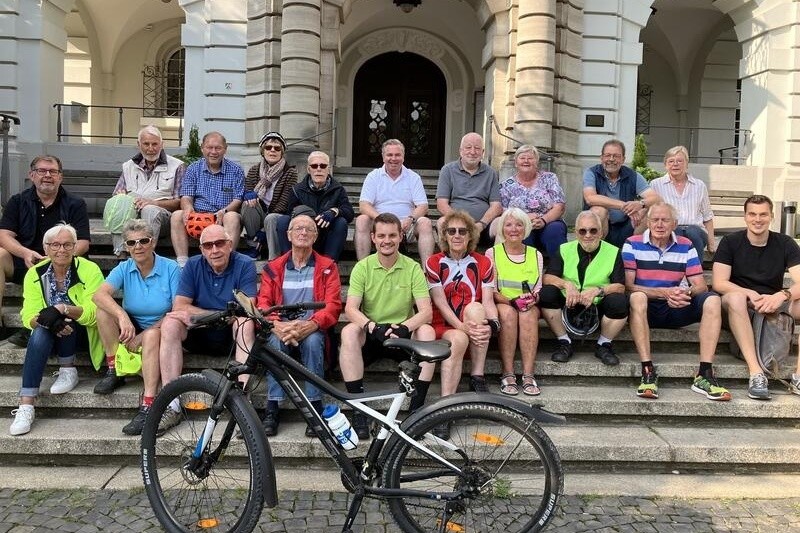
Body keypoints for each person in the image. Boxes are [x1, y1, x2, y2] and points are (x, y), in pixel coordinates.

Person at [340, 213, 436, 440]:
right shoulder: (363, 267)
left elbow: (426, 311)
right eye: (381, 235)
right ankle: (359, 408)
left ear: (401, 237)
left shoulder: (412, 267)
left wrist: (404, 327)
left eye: (392, 235)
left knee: (428, 331)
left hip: (402, 335)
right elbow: (351, 309)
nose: (387, 240)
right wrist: (371, 325)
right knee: (348, 330)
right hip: (374, 333)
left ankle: (416, 410)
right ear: (372, 237)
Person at [623, 202, 730, 401]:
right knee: (637, 298)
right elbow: (628, 286)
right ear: (648, 222)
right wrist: (664, 293)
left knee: (713, 300)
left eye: (665, 220)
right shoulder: (632, 243)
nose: (660, 224)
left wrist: (685, 293)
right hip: (647, 309)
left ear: (675, 224)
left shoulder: (685, 244)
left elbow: (700, 285)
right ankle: (647, 371)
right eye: (655, 220)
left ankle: (704, 373)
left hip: (677, 306)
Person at [157, 224, 257, 433]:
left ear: (230, 245)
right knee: (170, 323)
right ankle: (171, 404)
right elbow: (180, 307)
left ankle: (243, 402)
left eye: (219, 243)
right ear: (201, 249)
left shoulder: (245, 264)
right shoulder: (193, 265)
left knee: (244, 323)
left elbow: (248, 308)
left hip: (231, 338)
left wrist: (199, 315)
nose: (214, 250)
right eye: (208, 245)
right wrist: (220, 314)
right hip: (199, 335)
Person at [9, 224, 104, 436]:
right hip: (49, 337)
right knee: (41, 330)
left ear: (74, 247)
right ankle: (26, 405)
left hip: (82, 333)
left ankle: (69, 369)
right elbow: (27, 316)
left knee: (65, 319)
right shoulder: (35, 273)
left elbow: (93, 313)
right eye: (55, 245)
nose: (61, 249)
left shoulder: (89, 269)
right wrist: (47, 321)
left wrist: (62, 309)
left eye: (67, 244)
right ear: (46, 247)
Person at [92, 220, 180, 435]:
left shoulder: (171, 268)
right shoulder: (125, 267)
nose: (138, 246)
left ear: (153, 242)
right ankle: (114, 369)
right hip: (133, 325)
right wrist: (122, 316)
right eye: (131, 243)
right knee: (103, 311)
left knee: (150, 336)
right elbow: (99, 295)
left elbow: (178, 309)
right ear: (126, 246)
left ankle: (148, 404)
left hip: (164, 326)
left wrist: (142, 336)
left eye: (143, 241)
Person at [257, 214, 343, 437]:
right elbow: (263, 303)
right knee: (273, 341)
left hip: (312, 327)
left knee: (314, 341)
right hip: (282, 327)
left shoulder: (327, 266)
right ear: (289, 235)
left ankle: (314, 406)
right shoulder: (273, 267)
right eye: (298, 229)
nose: (303, 232)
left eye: (309, 229)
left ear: (315, 236)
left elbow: (333, 306)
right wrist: (276, 324)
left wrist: (312, 324)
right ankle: (273, 407)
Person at [712, 194, 800, 400]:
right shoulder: (731, 241)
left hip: (772, 302)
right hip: (738, 304)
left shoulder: (785, 243)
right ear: (745, 217)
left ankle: (798, 376)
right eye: (752, 214)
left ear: (771, 217)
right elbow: (719, 283)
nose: (757, 219)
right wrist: (748, 293)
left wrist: (782, 295)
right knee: (734, 298)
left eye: (763, 214)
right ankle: (756, 373)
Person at [0, 155, 91, 347]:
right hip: (26, 261)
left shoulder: (75, 204)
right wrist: (25, 253)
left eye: (53, 172)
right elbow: (4, 235)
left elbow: (82, 242)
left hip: (62, 263)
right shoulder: (17, 201)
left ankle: (36, 327)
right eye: (42, 171)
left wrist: (58, 258)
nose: (47, 175)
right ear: (32, 175)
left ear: (60, 177)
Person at [426, 211, 498, 402]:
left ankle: (477, 376)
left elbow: (488, 301)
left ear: (470, 236)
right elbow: (440, 302)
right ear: (445, 236)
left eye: (462, 231)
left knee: (476, 308)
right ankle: (445, 404)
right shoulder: (433, 262)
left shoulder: (484, 262)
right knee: (458, 338)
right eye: (451, 231)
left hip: (474, 325)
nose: (457, 235)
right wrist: (460, 326)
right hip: (444, 326)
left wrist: (493, 324)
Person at [539, 211, 629, 365]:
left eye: (593, 230)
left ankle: (604, 345)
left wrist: (598, 290)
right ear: (576, 232)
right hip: (568, 301)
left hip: (597, 304)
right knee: (546, 293)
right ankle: (564, 342)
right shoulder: (564, 249)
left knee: (619, 302)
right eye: (583, 231)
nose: (588, 235)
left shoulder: (613, 252)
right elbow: (547, 278)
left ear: (601, 232)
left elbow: (620, 286)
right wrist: (566, 285)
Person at [485, 208, 544, 396]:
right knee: (509, 315)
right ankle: (508, 373)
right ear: (502, 228)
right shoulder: (492, 253)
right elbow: (491, 290)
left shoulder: (536, 254)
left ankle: (528, 374)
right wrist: (511, 302)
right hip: (504, 302)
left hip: (528, 305)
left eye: (519, 224)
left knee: (527, 316)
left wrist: (533, 299)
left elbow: (538, 288)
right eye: (509, 225)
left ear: (525, 228)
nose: (514, 229)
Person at [106, 125, 184, 258]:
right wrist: (121, 198)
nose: (151, 148)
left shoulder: (177, 166)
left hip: (163, 218)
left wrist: (153, 203)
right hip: (133, 215)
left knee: (150, 210)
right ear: (138, 144)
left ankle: (146, 256)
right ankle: (122, 256)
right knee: (119, 205)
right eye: (146, 144)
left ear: (162, 145)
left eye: (155, 144)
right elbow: (117, 194)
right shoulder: (128, 166)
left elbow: (179, 202)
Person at [170, 132, 245, 267]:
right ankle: (182, 264)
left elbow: (238, 199)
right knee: (177, 215)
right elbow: (186, 196)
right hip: (197, 216)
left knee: (233, 217)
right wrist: (188, 208)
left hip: (223, 216)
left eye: (218, 148)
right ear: (202, 148)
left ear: (225, 149)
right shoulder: (193, 169)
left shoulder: (236, 170)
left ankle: (227, 262)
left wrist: (225, 210)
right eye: (209, 147)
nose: (213, 152)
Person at [354, 139, 435, 265]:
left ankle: (427, 272)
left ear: (403, 157)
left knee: (425, 222)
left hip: (406, 225)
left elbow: (423, 206)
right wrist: (381, 219)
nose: (394, 158)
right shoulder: (373, 176)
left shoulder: (413, 177)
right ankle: (363, 268)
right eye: (389, 155)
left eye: (397, 155)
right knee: (362, 220)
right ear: (383, 157)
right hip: (379, 223)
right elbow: (364, 205)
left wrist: (410, 219)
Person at [276, 151, 354, 261]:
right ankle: (289, 261)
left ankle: (329, 264)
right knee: (283, 221)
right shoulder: (297, 190)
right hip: (304, 234)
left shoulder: (338, 189)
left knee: (341, 222)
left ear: (328, 169)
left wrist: (334, 211)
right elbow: (290, 213)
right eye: (314, 166)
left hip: (326, 237)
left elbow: (349, 213)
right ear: (309, 169)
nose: (318, 169)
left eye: (323, 166)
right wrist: (305, 219)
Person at [583, 139, 659, 248]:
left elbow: (656, 199)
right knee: (598, 210)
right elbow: (590, 198)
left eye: (616, 156)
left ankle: (635, 251)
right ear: (601, 158)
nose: (611, 159)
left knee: (649, 210)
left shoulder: (633, 176)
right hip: (602, 226)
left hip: (627, 225)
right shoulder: (591, 173)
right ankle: (594, 251)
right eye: (608, 155)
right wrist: (625, 206)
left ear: (623, 159)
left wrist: (640, 204)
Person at [494, 145, 567, 258]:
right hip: (521, 224)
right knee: (521, 233)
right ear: (516, 163)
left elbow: (559, 206)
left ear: (536, 162)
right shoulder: (507, 185)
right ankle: (527, 271)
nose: (526, 161)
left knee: (555, 231)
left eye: (530, 158)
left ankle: (559, 269)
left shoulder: (549, 178)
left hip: (549, 221)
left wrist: (543, 220)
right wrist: (524, 218)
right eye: (522, 158)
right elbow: (502, 209)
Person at [649, 145, 715, 259]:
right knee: (675, 231)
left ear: (687, 164)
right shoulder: (656, 185)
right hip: (670, 229)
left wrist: (711, 242)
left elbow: (707, 217)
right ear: (665, 165)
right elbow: (650, 212)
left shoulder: (699, 185)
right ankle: (675, 271)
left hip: (697, 232)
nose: (675, 164)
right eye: (671, 161)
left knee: (692, 232)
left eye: (680, 161)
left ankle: (695, 272)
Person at [435, 133, 501, 246]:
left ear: (483, 153)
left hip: (483, 227)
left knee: (501, 223)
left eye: (477, 148)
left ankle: (497, 262)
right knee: (441, 222)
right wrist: (461, 223)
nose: (473, 152)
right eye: (468, 147)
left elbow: (496, 206)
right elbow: (441, 204)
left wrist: (481, 224)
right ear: (461, 151)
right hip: (456, 226)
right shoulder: (448, 170)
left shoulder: (491, 173)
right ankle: (446, 260)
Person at [241, 131, 297, 259]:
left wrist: (263, 230)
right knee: (248, 203)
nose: (272, 151)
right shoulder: (254, 170)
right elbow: (248, 190)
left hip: (277, 215)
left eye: (277, 148)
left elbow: (285, 202)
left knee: (270, 218)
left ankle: (274, 259)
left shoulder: (290, 172)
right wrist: (248, 194)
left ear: (282, 152)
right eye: (268, 147)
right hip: (259, 214)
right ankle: (254, 247)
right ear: (263, 150)